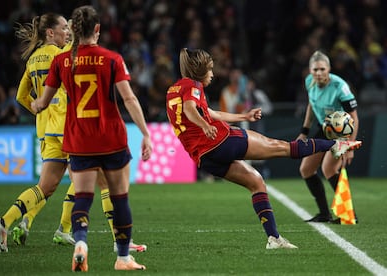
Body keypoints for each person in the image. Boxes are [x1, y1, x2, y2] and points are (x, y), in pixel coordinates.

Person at [166, 48, 362, 250]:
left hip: (204, 157)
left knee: (256, 183)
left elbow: (209, 112)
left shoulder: (175, 89)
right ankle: (336, 144)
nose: (212, 74)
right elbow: (191, 111)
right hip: (221, 140)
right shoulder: (193, 85)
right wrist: (205, 126)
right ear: (199, 70)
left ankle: (274, 239)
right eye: (210, 70)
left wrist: (244, 117)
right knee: (283, 147)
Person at [31, 5, 152, 272]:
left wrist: (35, 105)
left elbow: (43, 102)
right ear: (97, 29)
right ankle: (122, 258)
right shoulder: (111, 58)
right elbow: (129, 98)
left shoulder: (60, 62)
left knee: (83, 198)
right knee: (119, 199)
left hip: (78, 141)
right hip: (111, 139)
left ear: (73, 30)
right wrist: (145, 133)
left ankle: (81, 243)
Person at [0, 12, 70, 253]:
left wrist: (39, 110)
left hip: (46, 130)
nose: (67, 32)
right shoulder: (60, 55)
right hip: (66, 125)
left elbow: (20, 97)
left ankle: (4, 222)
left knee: (46, 186)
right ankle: (64, 230)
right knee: (88, 175)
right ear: (50, 33)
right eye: (64, 28)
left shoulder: (32, 60)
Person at [297, 50, 360, 223]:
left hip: (341, 132)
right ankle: (324, 213)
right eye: (315, 69)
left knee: (328, 169)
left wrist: (349, 145)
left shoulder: (340, 87)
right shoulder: (309, 82)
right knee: (306, 169)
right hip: (324, 128)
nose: (318, 73)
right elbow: (311, 104)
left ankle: (348, 214)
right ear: (310, 70)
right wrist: (304, 130)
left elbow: (354, 117)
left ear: (329, 69)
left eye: (322, 69)